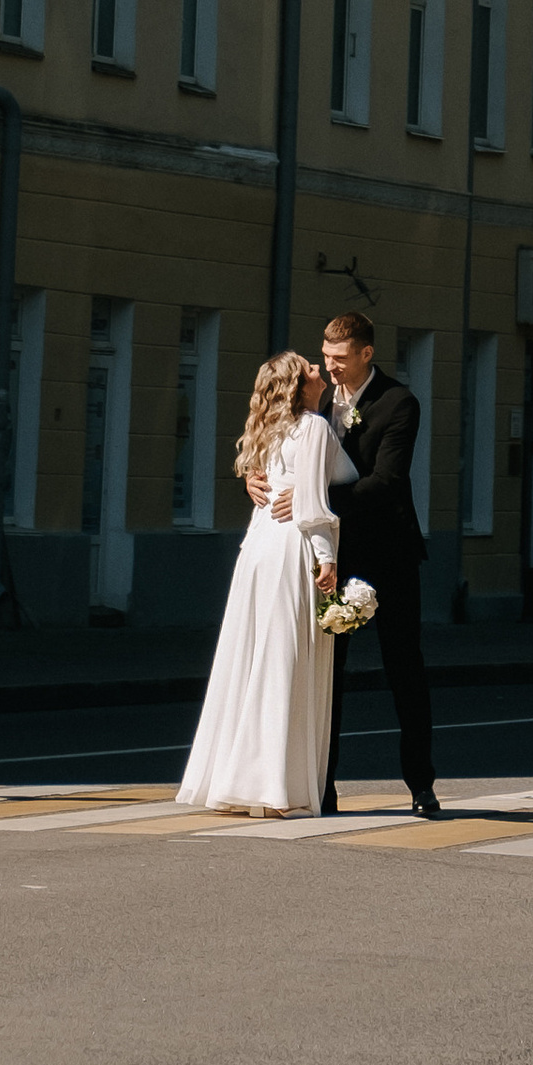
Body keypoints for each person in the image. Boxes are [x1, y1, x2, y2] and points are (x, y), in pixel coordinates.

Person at [270, 309, 440, 816]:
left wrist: (312, 499)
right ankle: (322, 786)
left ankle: (421, 785)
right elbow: (279, 452)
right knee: (328, 674)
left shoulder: (398, 402)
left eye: (341, 358)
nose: (330, 366)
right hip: (334, 557)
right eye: (325, 356)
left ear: (367, 353)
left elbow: (387, 482)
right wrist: (258, 480)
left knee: (404, 668)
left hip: (389, 554)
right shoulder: (314, 399)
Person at [173, 352, 353, 816]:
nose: (319, 370)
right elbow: (311, 505)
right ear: (298, 387)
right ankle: (273, 788)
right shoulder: (313, 427)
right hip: (292, 548)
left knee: (250, 659)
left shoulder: (268, 430)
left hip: (257, 550)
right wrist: (327, 558)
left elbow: (299, 487)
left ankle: (233, 779)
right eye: (310, 368)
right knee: (283, 663)